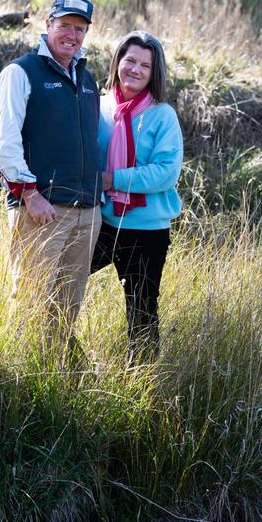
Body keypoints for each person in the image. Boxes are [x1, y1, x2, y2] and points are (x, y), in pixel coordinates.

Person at [0, 0, 102, 341]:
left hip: (87, 211)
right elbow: (4, 141)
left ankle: (52, 385)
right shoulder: (21, 72)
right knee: (29, 301)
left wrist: (96, 204)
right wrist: (28, 193)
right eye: (65, 25)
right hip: (42, 209)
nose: (72, 34)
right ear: (48, 25)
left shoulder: (87, 80)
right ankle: (15, 386)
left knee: (67, 308)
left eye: (80, 29)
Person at [92, 31, 183, 358]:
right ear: (118, 61)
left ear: (153, 72)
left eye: (145, 65)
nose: (135, 69)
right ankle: (60, 357)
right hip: (99, 222)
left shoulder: (162, 115)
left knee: (141, 313)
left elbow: (165, 172)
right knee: (63, 282)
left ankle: (141, 385)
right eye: (130, 60)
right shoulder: (99, 107)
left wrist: (112, 179)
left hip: (146, 230)